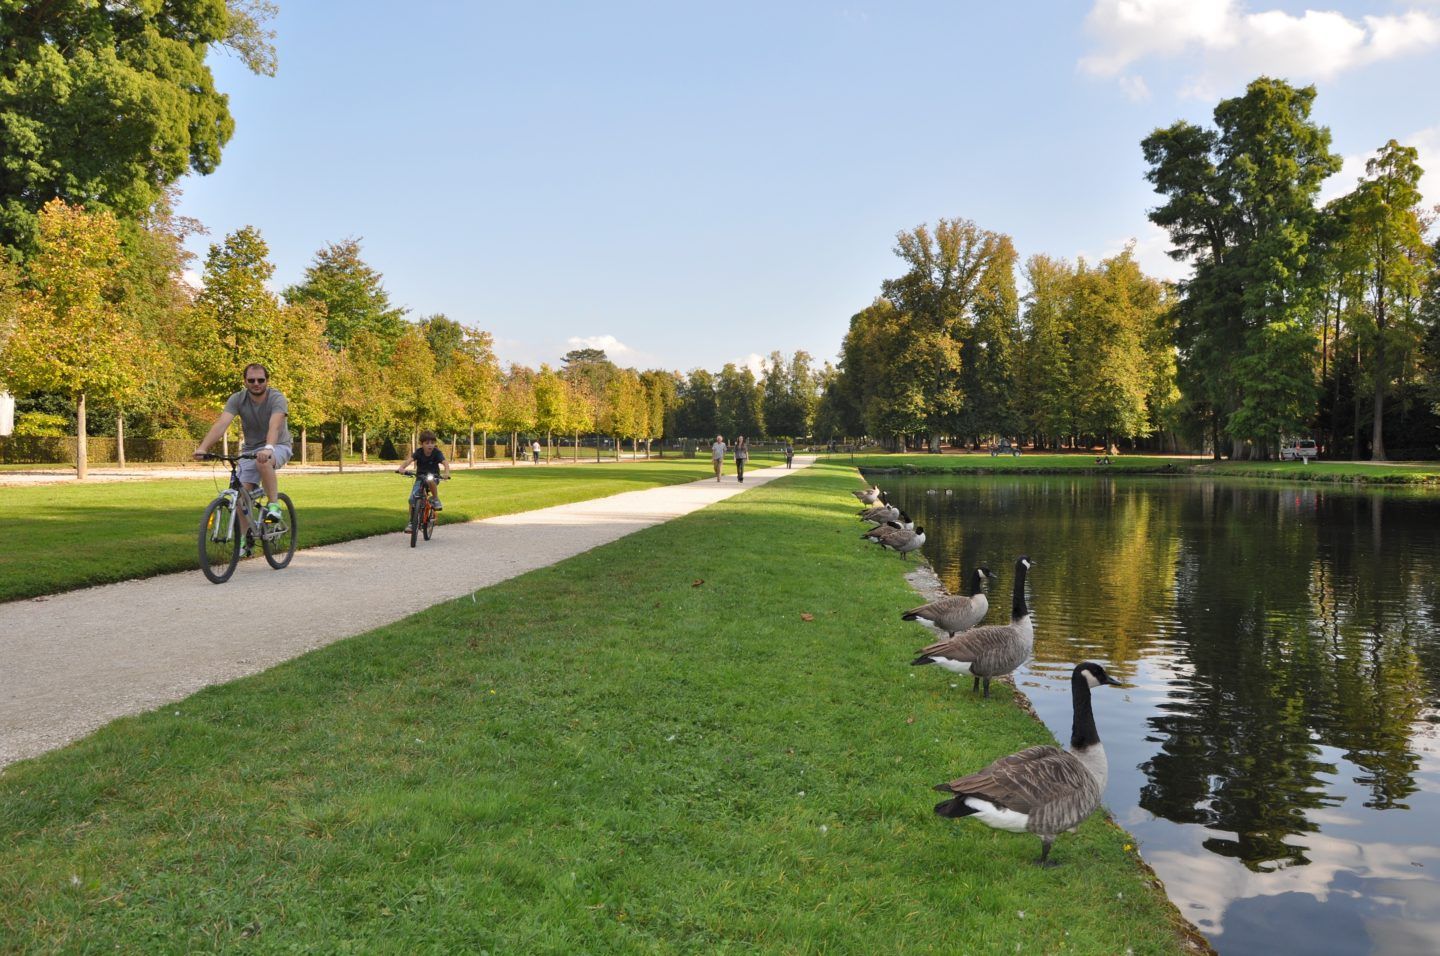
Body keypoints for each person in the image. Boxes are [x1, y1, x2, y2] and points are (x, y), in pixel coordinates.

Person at [193, 363, 292, 553]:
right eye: (251, 380)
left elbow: (275, 426)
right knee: (239, 496)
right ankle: (244, 541)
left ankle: (274, 507)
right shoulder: (238, 399)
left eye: (260, 380)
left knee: (262, 461)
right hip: (250, 448)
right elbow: (222, 424)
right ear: (245, 381)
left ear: (267, 381)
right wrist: (203, 447)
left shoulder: (276, 398)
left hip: (277, 445)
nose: (256, 384)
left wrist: (269, 448)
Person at [398, 429, 450, 533]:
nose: (430, 445)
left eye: (432, 443)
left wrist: (446, 473)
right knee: (412, 499)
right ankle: (412, 523)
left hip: (433, 478)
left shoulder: (437, 453)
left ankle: (435, 499)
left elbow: (445, 463)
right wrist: (401, 468)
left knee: (430, 480)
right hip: (420, 478)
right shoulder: (419, 452)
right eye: (427, 443)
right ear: (422, 444)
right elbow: (409, 461)